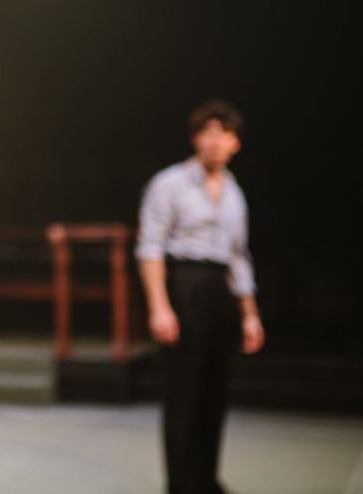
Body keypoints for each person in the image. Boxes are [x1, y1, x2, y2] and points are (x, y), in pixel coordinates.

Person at [135, 101, 266, 494]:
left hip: (219, 289)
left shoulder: (234, 193)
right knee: (183, 392)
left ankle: (206, 479)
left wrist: (250, 314)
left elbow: (239, 258)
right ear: (195, 139)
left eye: (223, 134)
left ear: (235, 143)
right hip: (184, 283)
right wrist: (160, 306)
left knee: (214, 390)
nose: (215, 141)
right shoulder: (170, 183)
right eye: (208, 133)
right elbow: (150, 248)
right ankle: (180, 484)